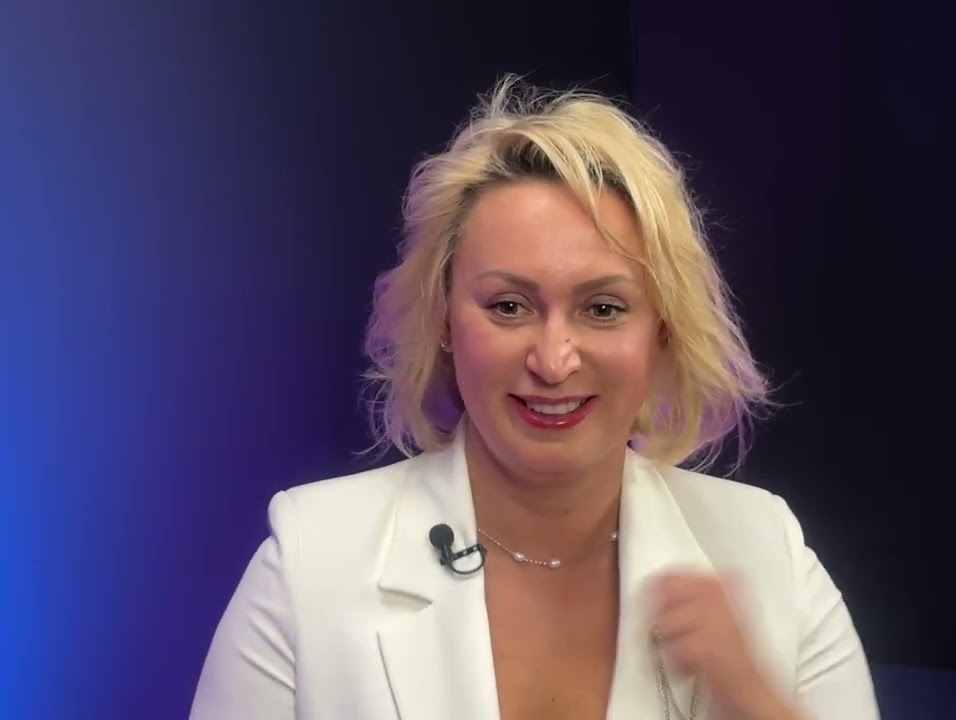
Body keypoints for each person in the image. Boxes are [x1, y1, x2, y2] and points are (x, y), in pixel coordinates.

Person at [189, 75, 879, 720]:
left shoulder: (768, 551)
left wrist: (753, 702)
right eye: (509, 306)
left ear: (662, 330)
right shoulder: (311, 556)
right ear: (444, 320)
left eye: (603, 309)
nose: (553, 361)